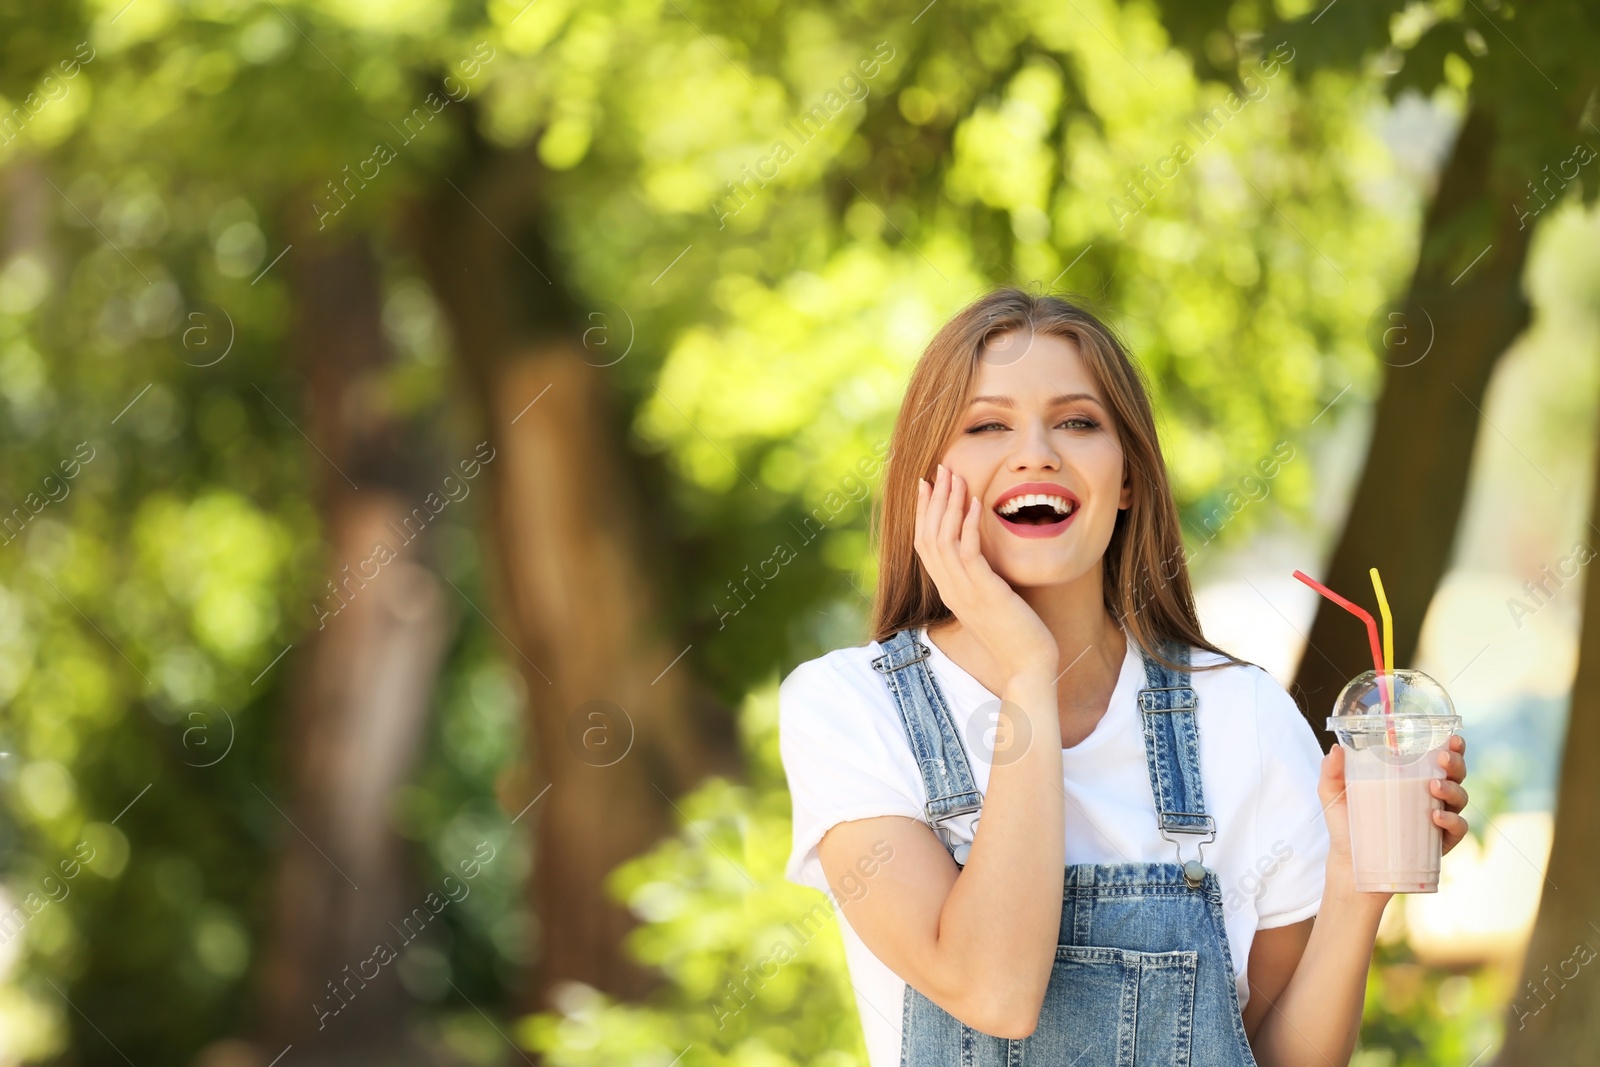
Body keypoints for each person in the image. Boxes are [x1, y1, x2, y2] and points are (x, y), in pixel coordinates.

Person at [776, 288, 1470, 1066]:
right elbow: (992, 990)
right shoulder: (850, 708)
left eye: (1077, 421)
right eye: (987, 424)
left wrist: (1354, 881)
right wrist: (1028, 668)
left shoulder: (1243, 716)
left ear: (1130, 480)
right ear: (928, 481)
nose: (1036, 451)